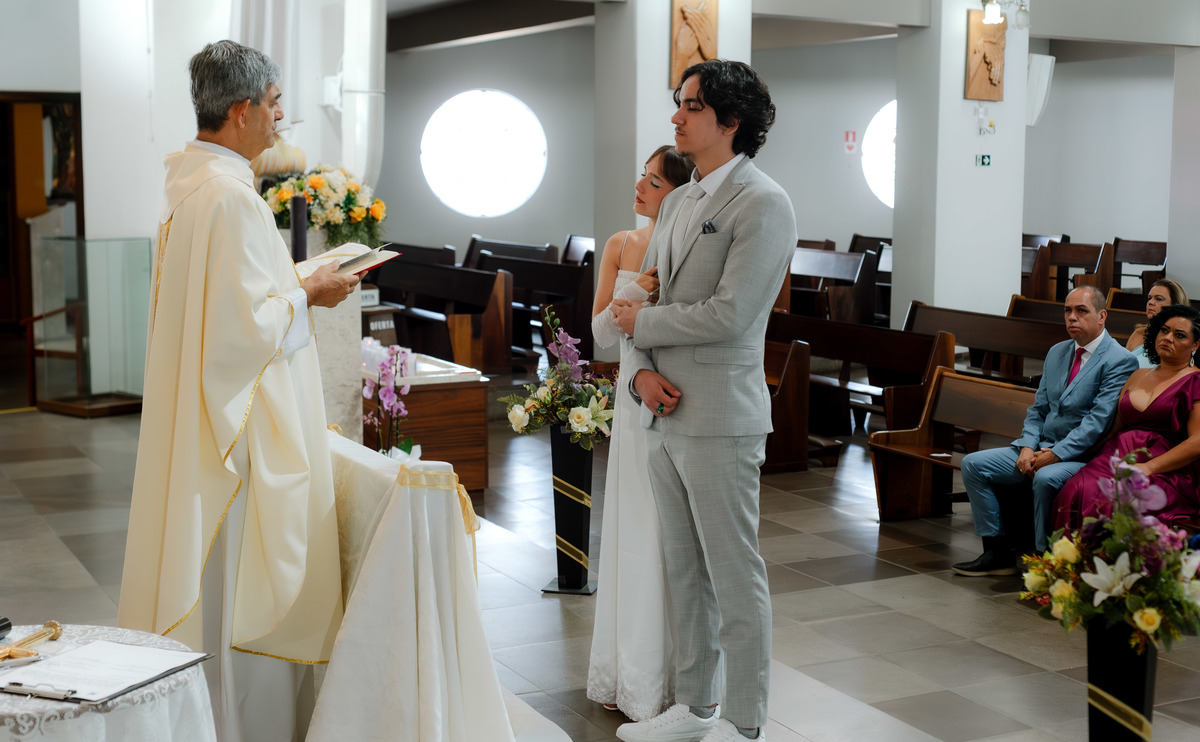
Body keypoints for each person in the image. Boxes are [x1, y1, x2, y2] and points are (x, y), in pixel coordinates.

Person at [118, 40, 360, 741]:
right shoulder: (229, 197)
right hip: (239, 428)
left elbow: (225, 304)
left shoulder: (192, 185)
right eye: (276, 104)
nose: (281, 117)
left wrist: (296, 282)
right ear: (243, 109)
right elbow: (244, 330)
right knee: (239, 576)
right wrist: (311, 292)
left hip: (203, 408)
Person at [610, 59, 796, 742]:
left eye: (691, 106)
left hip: (719, 415)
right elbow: (645, 295)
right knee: (683, 569)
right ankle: (695, 705)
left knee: (733, 573)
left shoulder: (763, 203)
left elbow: (733, 314)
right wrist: (639, 375)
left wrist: (642, 327)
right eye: (680, 103)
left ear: (731, 120)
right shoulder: (682, 200)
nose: (676, 117)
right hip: (662, 408)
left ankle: (744, 722)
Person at [587, 145, 694, 721]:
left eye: (653, 182)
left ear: (677, 192)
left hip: (680, 390)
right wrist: (634, 294)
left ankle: (677, 676)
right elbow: (602, 335)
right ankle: (630, 673)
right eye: (642, 177)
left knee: (670, 533)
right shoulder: (620, 244)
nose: (640, 187)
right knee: (634, 526)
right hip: (632, 394)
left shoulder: (691, 242)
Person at [952, 286, 1139, 577]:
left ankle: (1043, 560)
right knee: (974, 464)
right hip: (1040, 446)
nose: (1072, 317)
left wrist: (1055, 454)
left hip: (1082, 455)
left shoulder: (1119, 360)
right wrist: (1028, 446)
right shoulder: (1057, 352)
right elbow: (1038, 409)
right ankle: (996, 551)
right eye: (1067, 311)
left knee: (1045, 477)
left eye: (1081, 311)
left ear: (1102, 316)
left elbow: (1097, 422)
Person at [1054, 304, 1200, 530]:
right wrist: (1064, 452)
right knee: (1076, 489)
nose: (1168, 338)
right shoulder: (1138, 374)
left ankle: (1106, 555)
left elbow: (1197, 441)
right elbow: (1113, 428)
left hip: (1165, 467)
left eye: (1179, 335)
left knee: (1119, 500)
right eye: (1164, 330)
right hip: (1115, 456)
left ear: (1195, 345)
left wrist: (1149, 467)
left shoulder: (1195, 380)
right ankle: (1069, 553)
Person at [1125, 279, 1189, 368]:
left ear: (1175, 305)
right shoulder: (1139, 333)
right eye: (1149, 298)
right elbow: (1121, 365)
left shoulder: (1181, 339)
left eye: (1158, 299)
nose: (1150, 302)